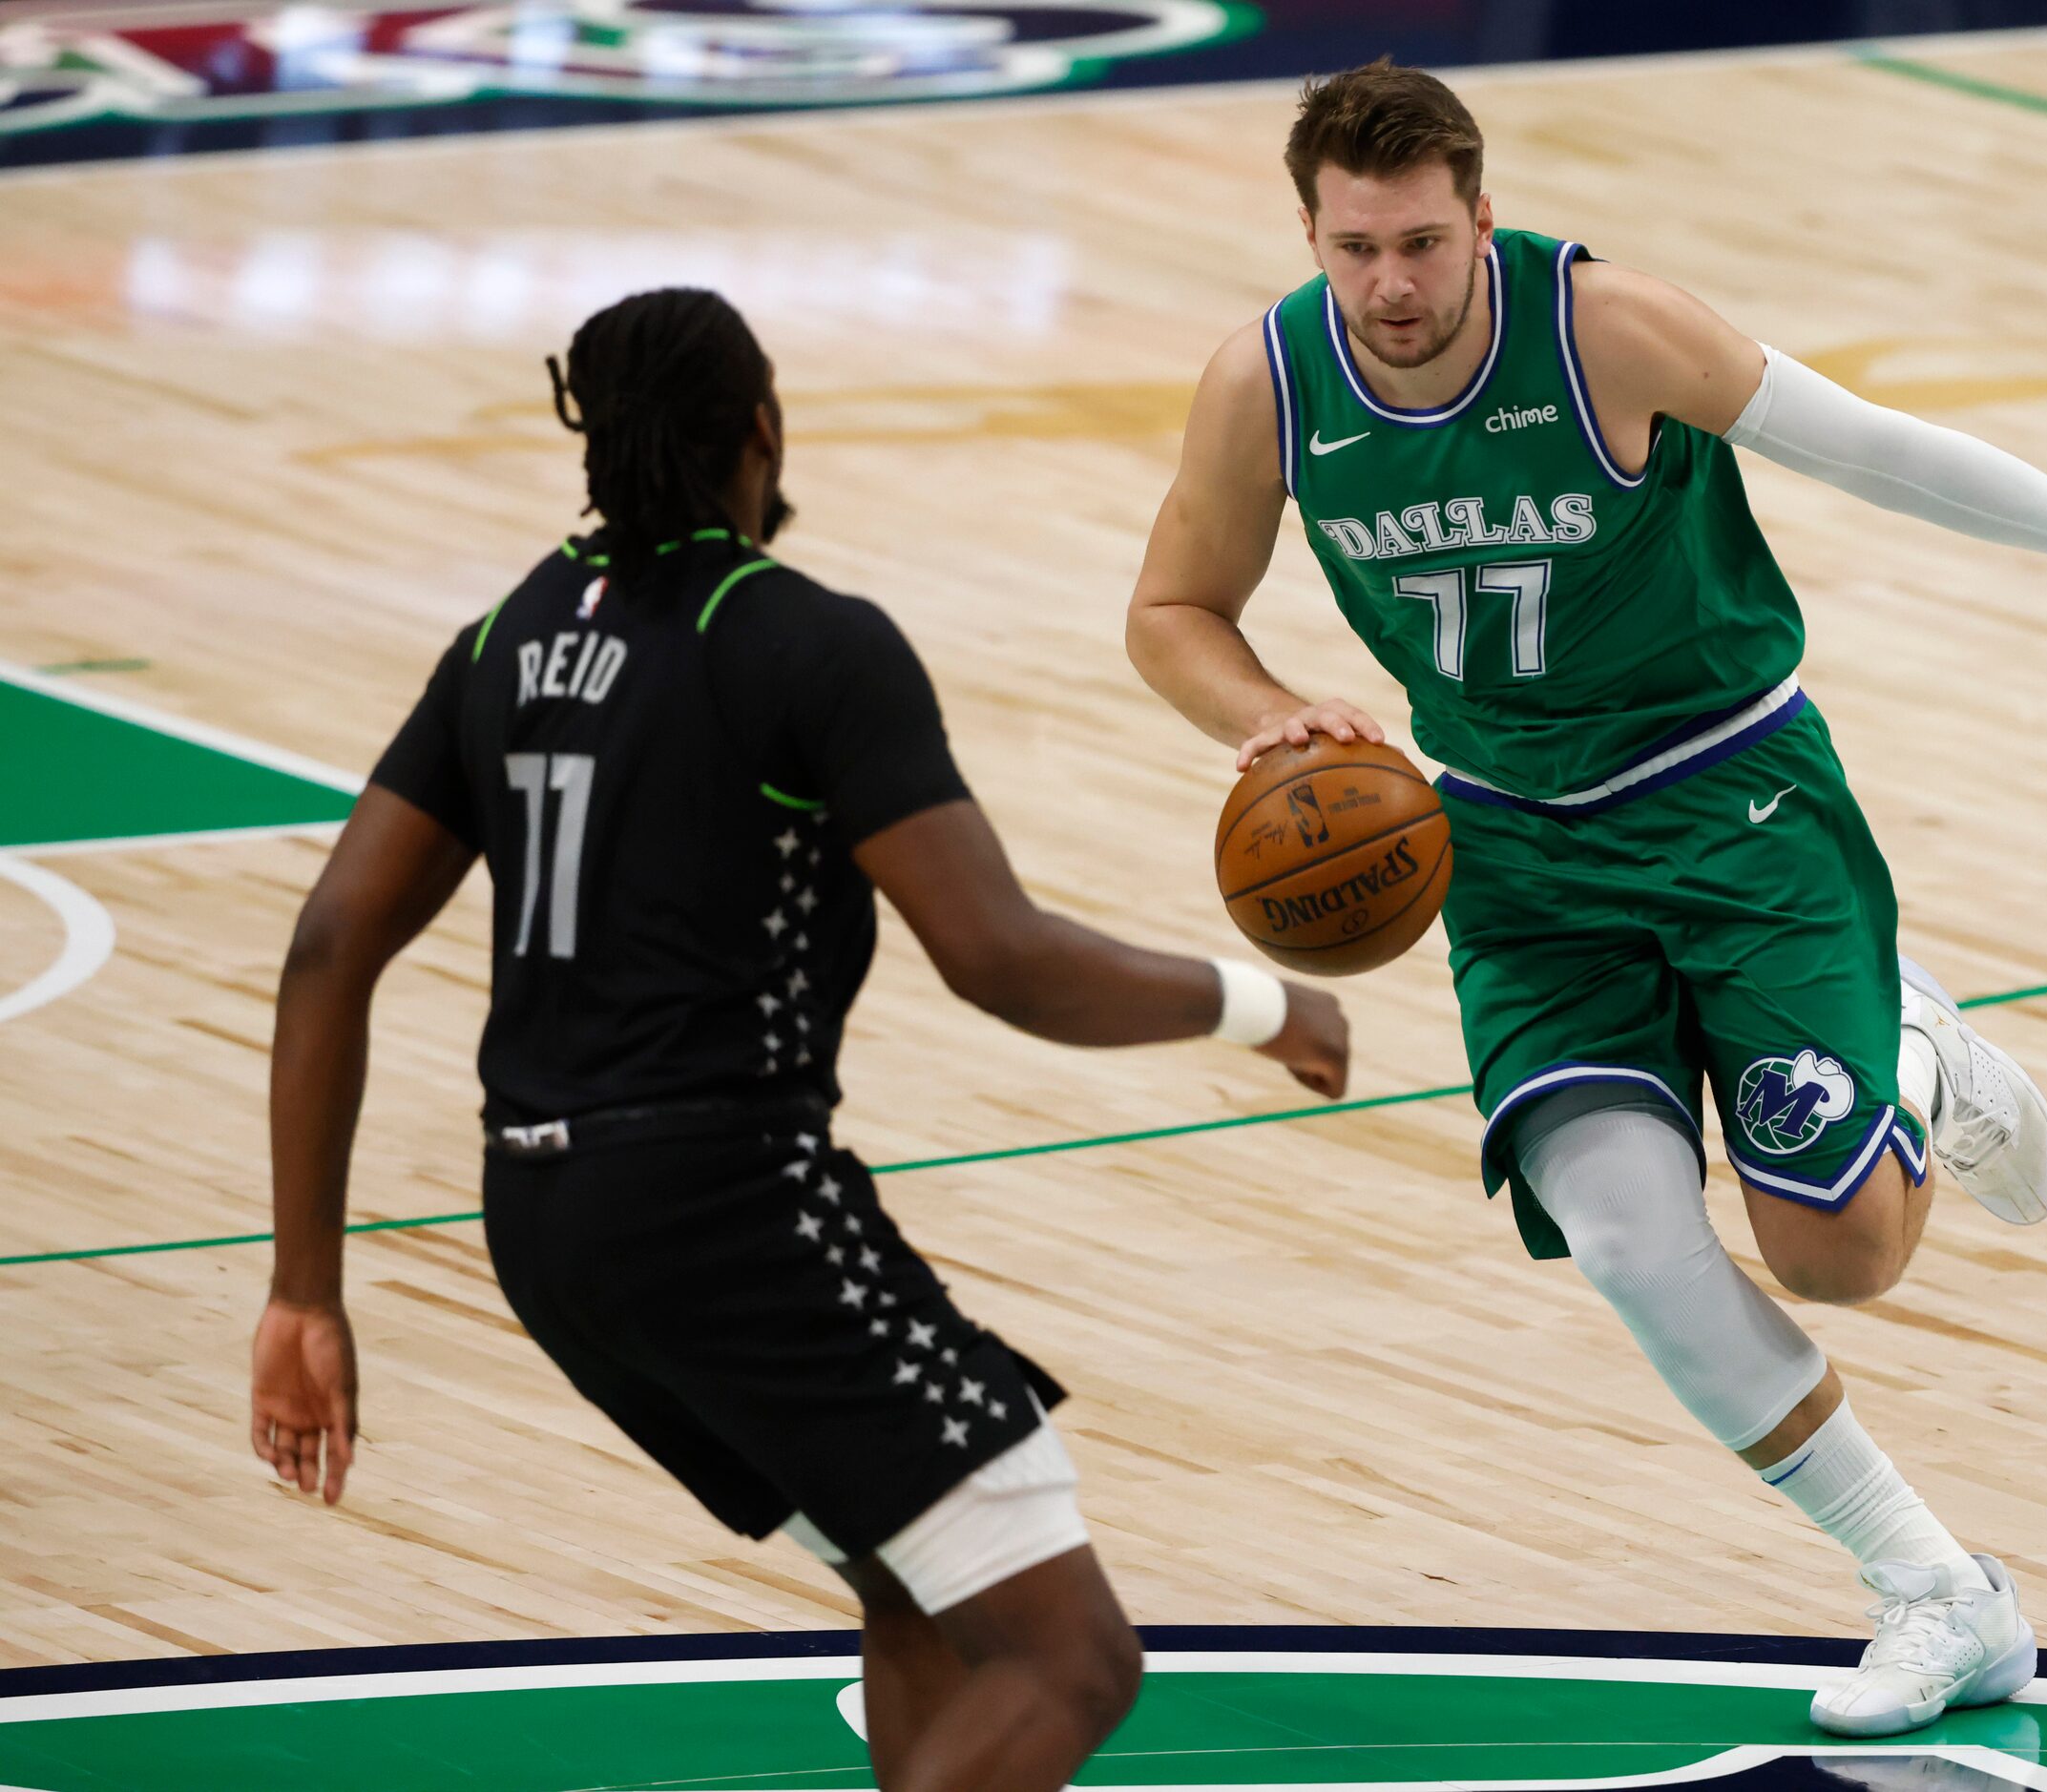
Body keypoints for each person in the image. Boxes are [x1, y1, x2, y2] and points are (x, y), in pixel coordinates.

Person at [1123, 60, 2047, 1738]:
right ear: (1313, 236)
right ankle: (1938, 1590)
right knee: (1629, 1237)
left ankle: (1918, 1052)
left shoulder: (1609, 329)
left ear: (1482, 215)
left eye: (1419, 241)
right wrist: (1260, 711)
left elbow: (1872, 448)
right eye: (1355, 249)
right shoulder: (1264, 384)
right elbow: (1174, 606)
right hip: (1513, 852)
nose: (1390, 285)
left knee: (1836, 1256)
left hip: (1734, 800)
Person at [249, 287, 1349, 1792]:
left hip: (542, 1220)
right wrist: (1265, 1001)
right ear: (762, 427)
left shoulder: (503, 638)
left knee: (920, 1582)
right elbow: (1001, 958)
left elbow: (326, 946)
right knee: (1071, 1654)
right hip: (726, 1208)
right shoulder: (804, 645)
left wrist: (302, 1290)